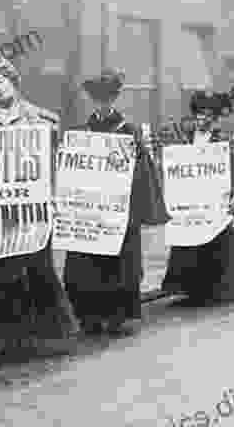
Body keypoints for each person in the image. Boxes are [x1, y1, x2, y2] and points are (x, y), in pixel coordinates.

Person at [0, 53, 79, 354]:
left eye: (1, 80)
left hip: (32, 206)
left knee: (36, 266)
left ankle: (47, 334)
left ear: (13, 81)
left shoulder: (42, 119)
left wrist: (54, 196)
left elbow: (55, 162)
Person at [62, 69, 169, 336]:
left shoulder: (129, 133)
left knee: (118, 266)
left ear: (114, 100)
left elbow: (144, 173)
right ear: (93, 102)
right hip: (89, 212)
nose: (103, 105)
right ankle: (89, 315)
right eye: (98, 100)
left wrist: (134, 209)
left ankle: (116, 315)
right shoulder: (81, 134)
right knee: (86, 265)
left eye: (107, 100)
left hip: (120, 212)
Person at [160, 90, 234, 303]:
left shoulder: (224, 139)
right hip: (191, 200)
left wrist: (232, 153)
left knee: (216, 241)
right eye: (199, 114)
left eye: (208, 114)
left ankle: (215, 288)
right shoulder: (185, 138)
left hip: (215, 200)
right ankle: (190, 287)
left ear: (215, 117)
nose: (202, 119)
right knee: (190, 242)